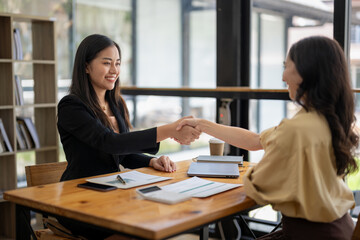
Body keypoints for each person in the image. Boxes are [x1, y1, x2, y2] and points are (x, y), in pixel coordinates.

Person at [177, 36, 358, 239]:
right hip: (338, 229)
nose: (283, 77)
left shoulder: (297, 128)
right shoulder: (324, 118)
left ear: (305, 72)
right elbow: (255, 141)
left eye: (286, 66)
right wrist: (202, 124)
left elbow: (260, 185)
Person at [57, 34, 200, 239]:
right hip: (79, 200)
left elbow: (122, 154)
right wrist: (169, 130)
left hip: (112, 194)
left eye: (117, 63)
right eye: (106, 63)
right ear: (86, 67)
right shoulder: (71, 106)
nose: (114, 70)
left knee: (160, 218)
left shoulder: (116, 104)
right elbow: (110, 143)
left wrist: (151, 161)